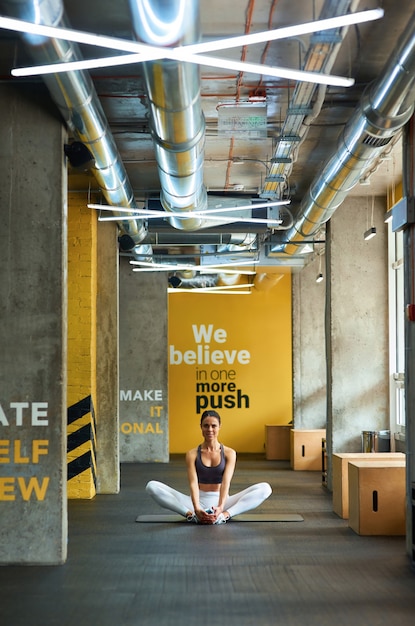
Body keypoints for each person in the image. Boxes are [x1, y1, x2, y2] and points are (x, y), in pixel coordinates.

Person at [145, 409, 272, 524]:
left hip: (223, 501)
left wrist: (221, 508)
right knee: (152, 486)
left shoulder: (229, 453)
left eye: (213, 426)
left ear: (219, 427)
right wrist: (196, 508)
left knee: (265, 488)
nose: (210, 429)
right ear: (201, 427)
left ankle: (224, 516)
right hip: (197, 501)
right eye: (206, 426)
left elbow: (225, 483)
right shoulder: (192, 454)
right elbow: (193, 484)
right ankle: (191, 515)